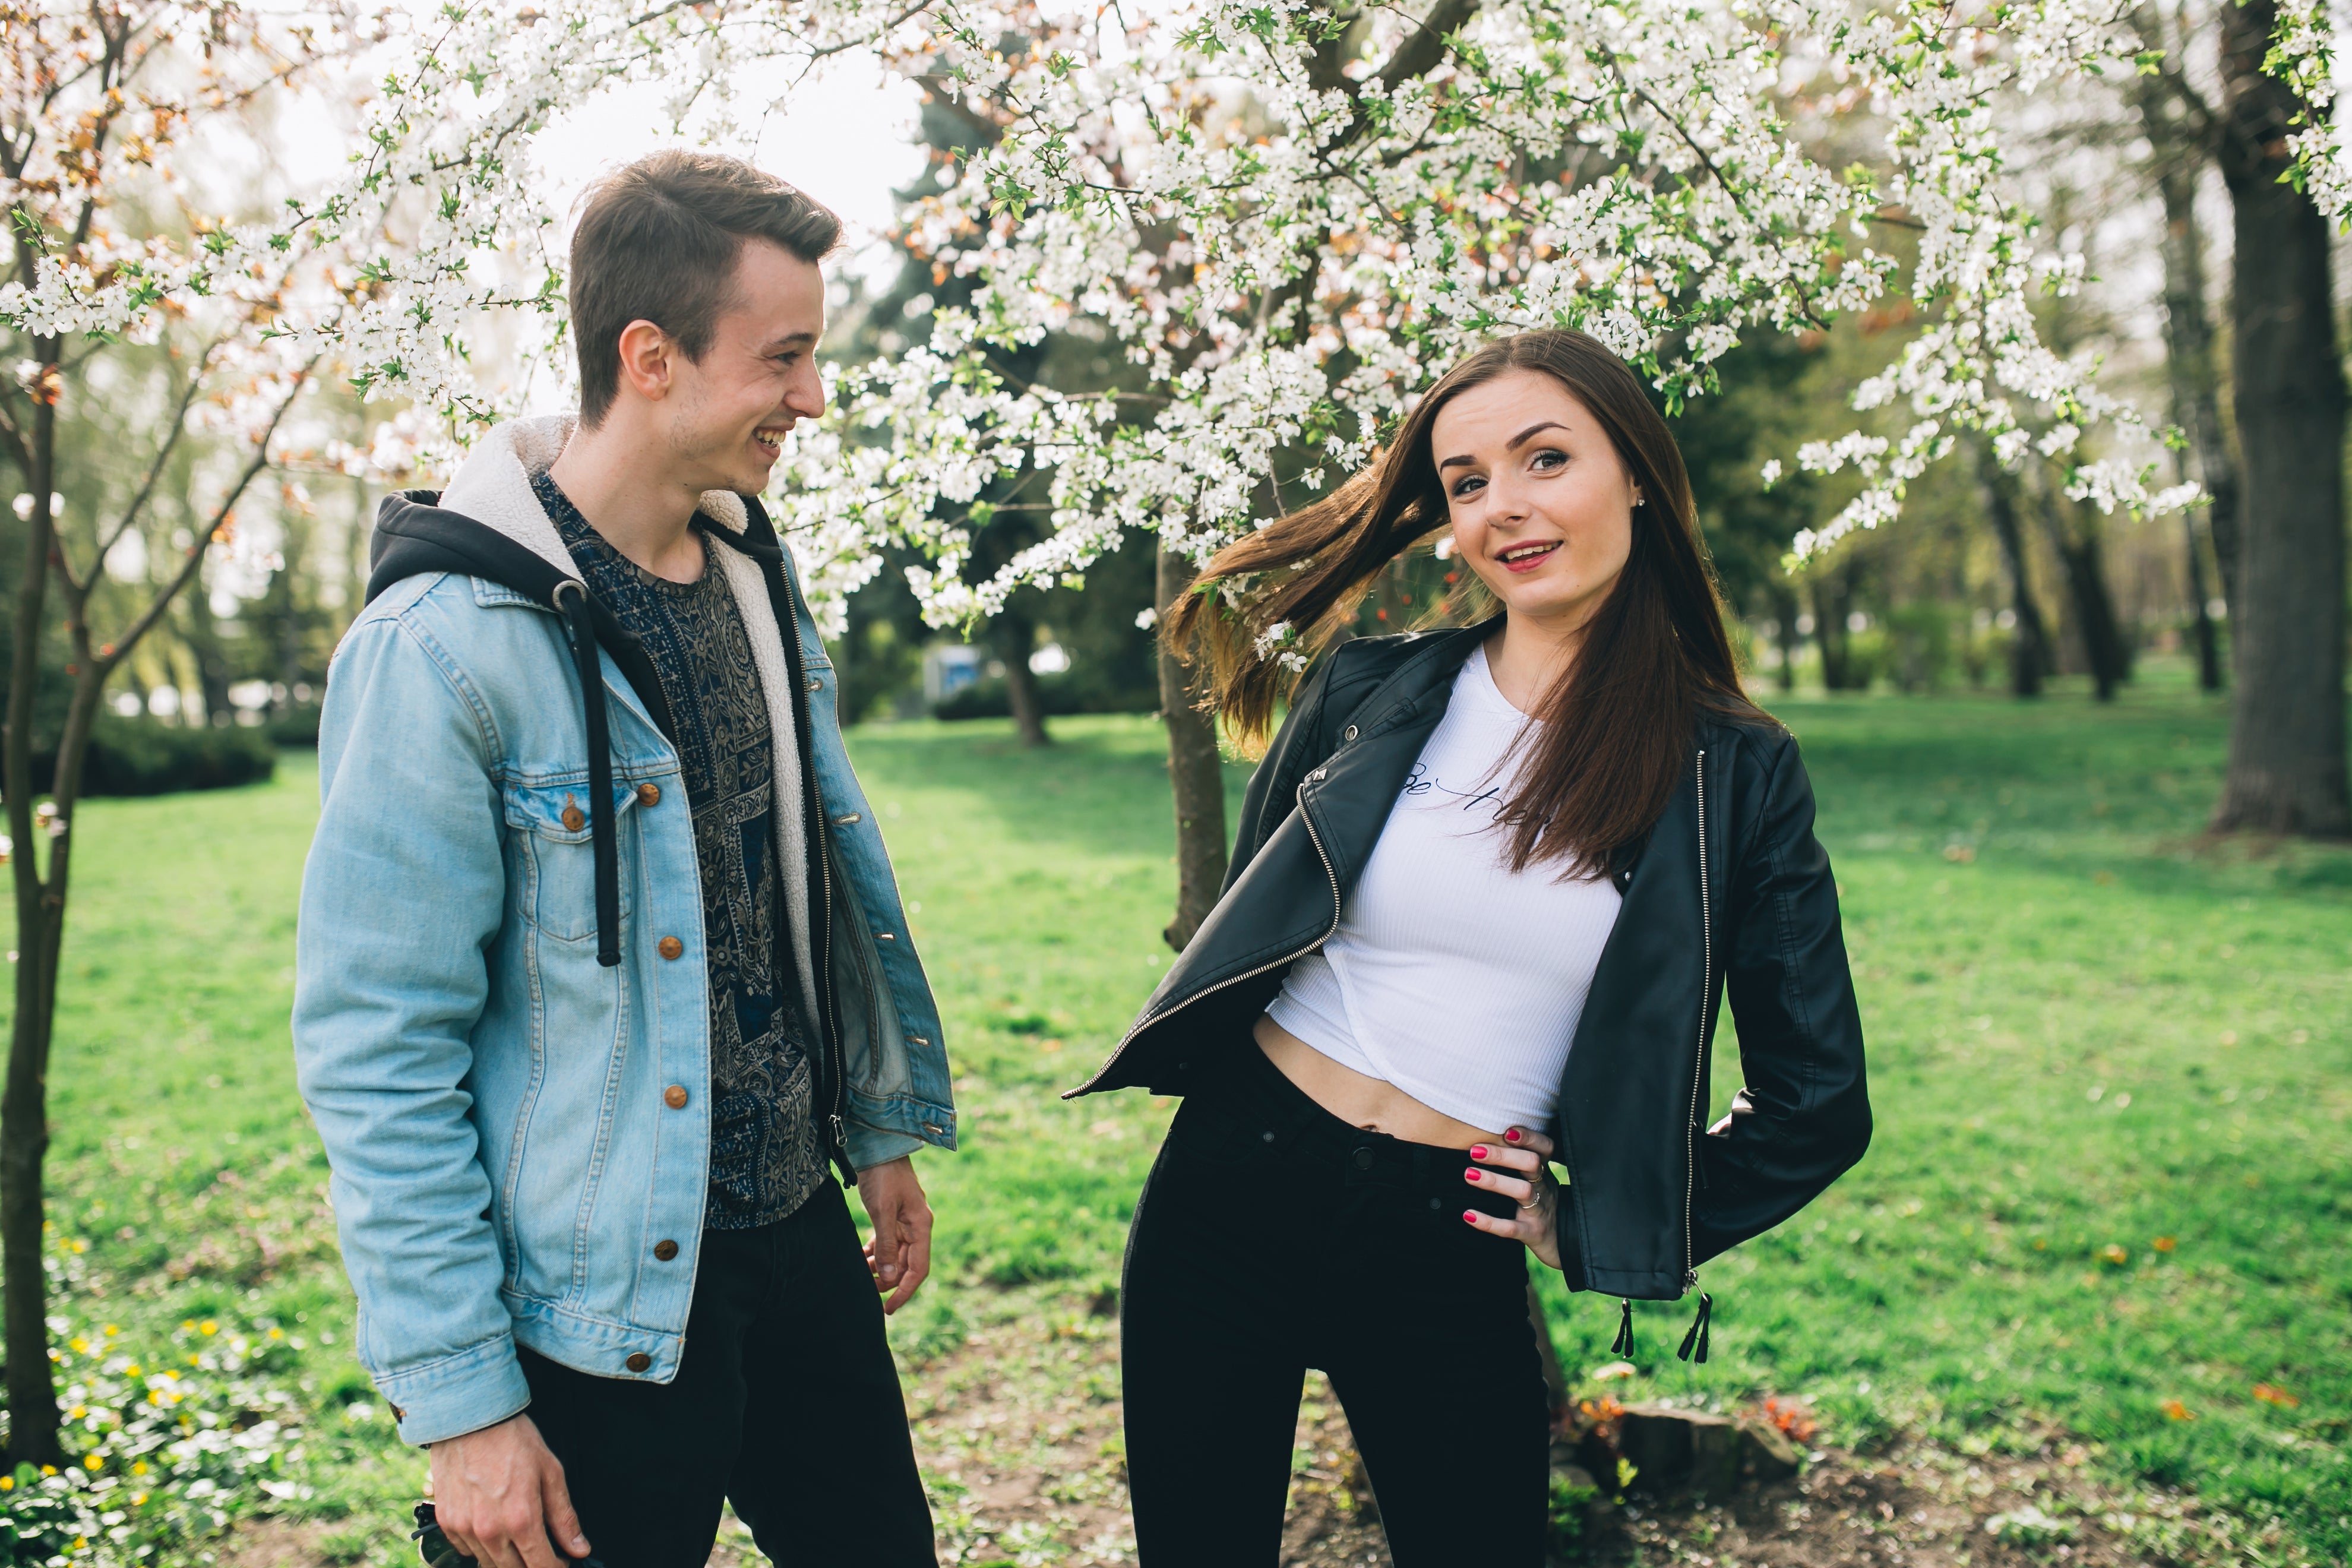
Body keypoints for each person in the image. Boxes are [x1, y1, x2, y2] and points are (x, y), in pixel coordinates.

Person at [1073, 328, 1873, 1564]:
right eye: (1466, 481)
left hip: (1448, 1237)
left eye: (1545, 459)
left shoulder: (1734, 775)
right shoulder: (1370, 690)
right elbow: (1258, 912)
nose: (1505, 507)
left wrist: (1598, 1222)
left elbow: (1819, 1101)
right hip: (1232, 1182)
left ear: (1641, 474)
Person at [293, 151, 955, 1568]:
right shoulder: (442, 647)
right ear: (649, 356)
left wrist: (875, 1130)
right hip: (593, 1301)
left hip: (796, 1229)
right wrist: (464, 1405)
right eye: (785, 358)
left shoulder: (754, 572)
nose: (814, 399)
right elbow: (377, 1045)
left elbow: (800, 887)